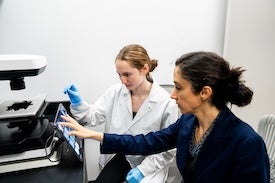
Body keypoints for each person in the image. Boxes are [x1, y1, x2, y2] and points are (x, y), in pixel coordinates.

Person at [61, 51, 270, 183]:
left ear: (204, 93)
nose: (172, 94)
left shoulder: (246, 142)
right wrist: (94, 135)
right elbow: (147, 142)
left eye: (179, 87)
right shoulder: (189, 123)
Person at [63, 44, 182, 183]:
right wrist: (78, 104)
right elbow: (91, 117)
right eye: (119, 75)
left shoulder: (166, 103)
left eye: (127, 75)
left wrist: (142, 170)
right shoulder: (115, 92)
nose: (122, 81)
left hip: (148, 163)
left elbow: (168, 149)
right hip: (119, 156)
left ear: (145, 68)